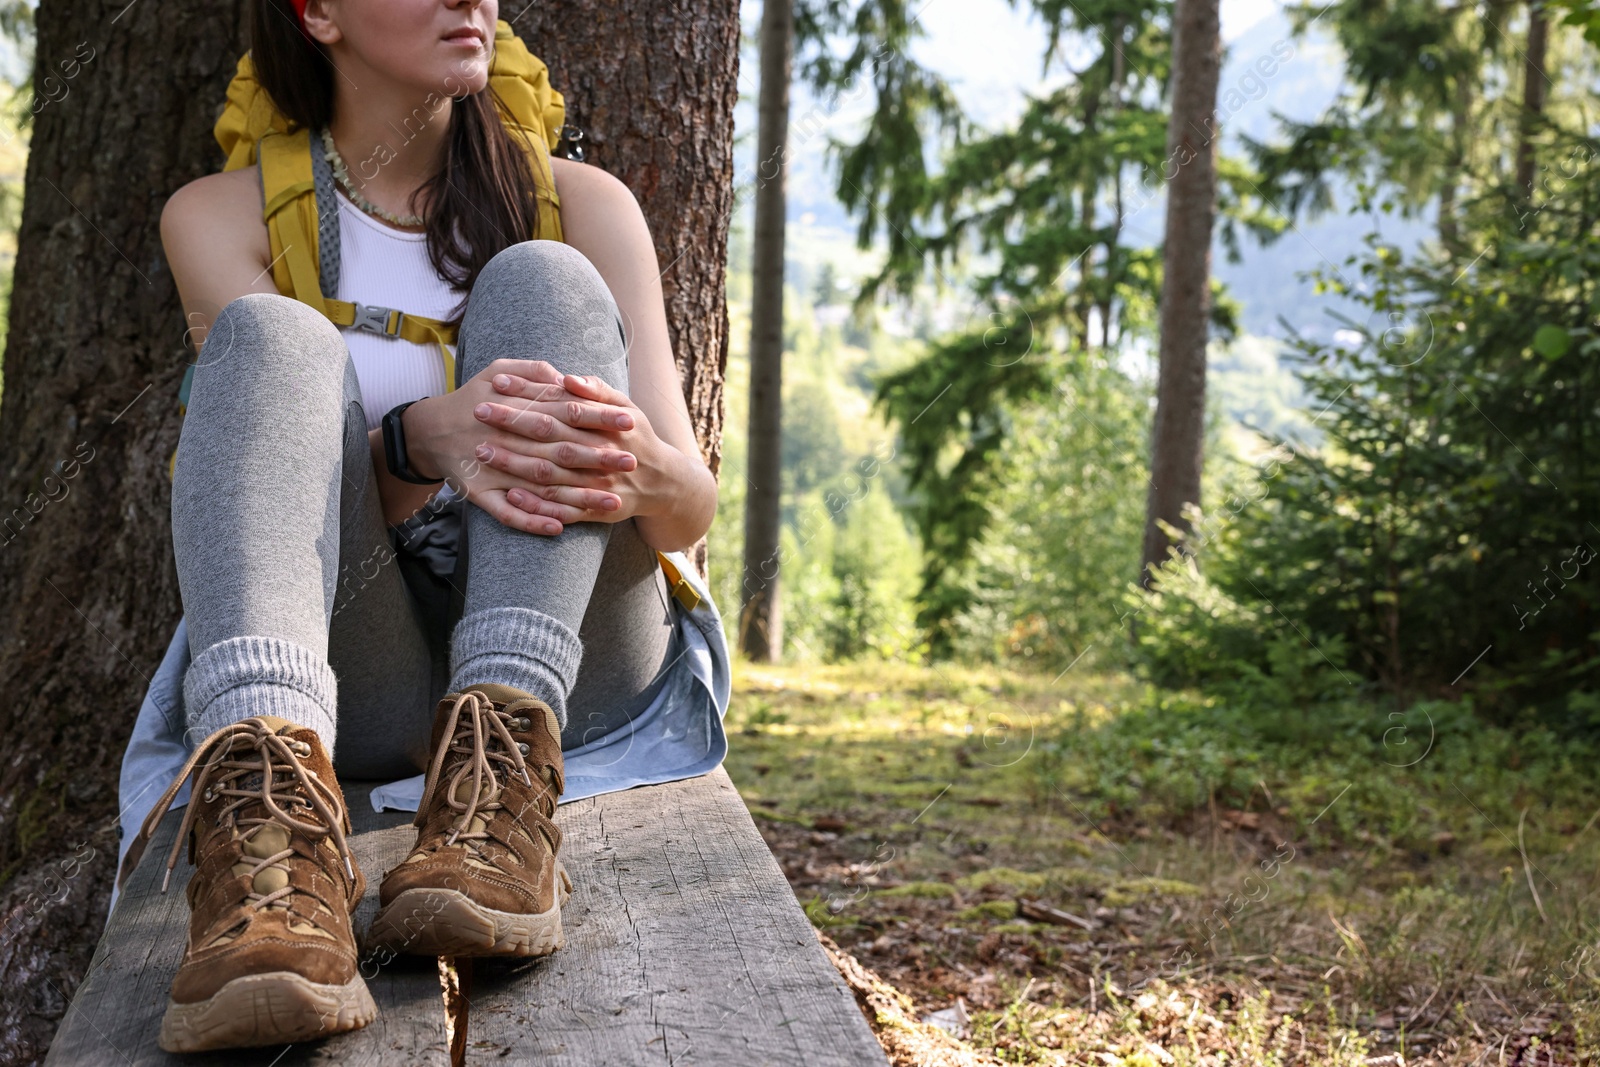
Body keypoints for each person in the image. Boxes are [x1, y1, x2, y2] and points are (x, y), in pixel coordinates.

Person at [114, 0, 724, 1053]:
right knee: (264, 339)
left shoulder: (582, 201)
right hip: (366, 673)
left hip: (579, 658)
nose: (470, 1)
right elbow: (265, 493)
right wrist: (418, 443)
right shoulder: (220, 216)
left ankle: (500, 805)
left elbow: (690, 508)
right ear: (317, 14)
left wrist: (624, 459)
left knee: (545, 278)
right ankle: (270, 872)